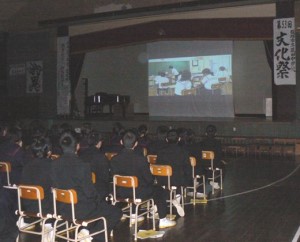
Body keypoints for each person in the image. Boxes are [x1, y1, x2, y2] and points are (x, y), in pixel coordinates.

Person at [51, 131, 122, 242]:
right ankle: (94, 236)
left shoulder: (54, 163)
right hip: (81, 210)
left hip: (62, 208)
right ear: (77, 146)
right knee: (115, 212)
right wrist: (99, 200)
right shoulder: (82, 165)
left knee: (98, 207)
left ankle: (87, 230)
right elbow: (90, 193)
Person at [110, 130, 176, 228]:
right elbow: (148, 179)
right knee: (160, 191)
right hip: (137, 192)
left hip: (119, 192)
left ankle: (133, 215)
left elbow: (113, 176)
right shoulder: (140, 159)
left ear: (121, 142)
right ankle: (162, 219)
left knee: (135, 187)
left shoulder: (114, 159)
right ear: (136, 143)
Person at [20, 137, 54, 239]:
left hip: (28, 207)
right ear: (48, 152)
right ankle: (48, 225)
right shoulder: (51, 166)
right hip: (45, 208)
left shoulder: (27, 166)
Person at [156, 129, 192, 215]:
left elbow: (158, 167)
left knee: (167, 184)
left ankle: (164, 201)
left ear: (167, 139)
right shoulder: (184, 152)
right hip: (178, 180)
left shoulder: (160, 152)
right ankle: (177, 198)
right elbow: (187, 169)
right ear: (179, 139)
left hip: (163, 180)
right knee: (183, 177)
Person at [78, 130, 111, 201]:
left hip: (83, 188)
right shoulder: (101, 157)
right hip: (97, 189)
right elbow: (105, 177)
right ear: (99, 143)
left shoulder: (81, 155)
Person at [201, 125, 224, 190]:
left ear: (206, 133)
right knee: (222, 166)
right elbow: (219, 155)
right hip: (214, 163)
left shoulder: (202, 143)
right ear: (215, 133)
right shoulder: (217, 143)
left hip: (203, 164)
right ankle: (216, 181)